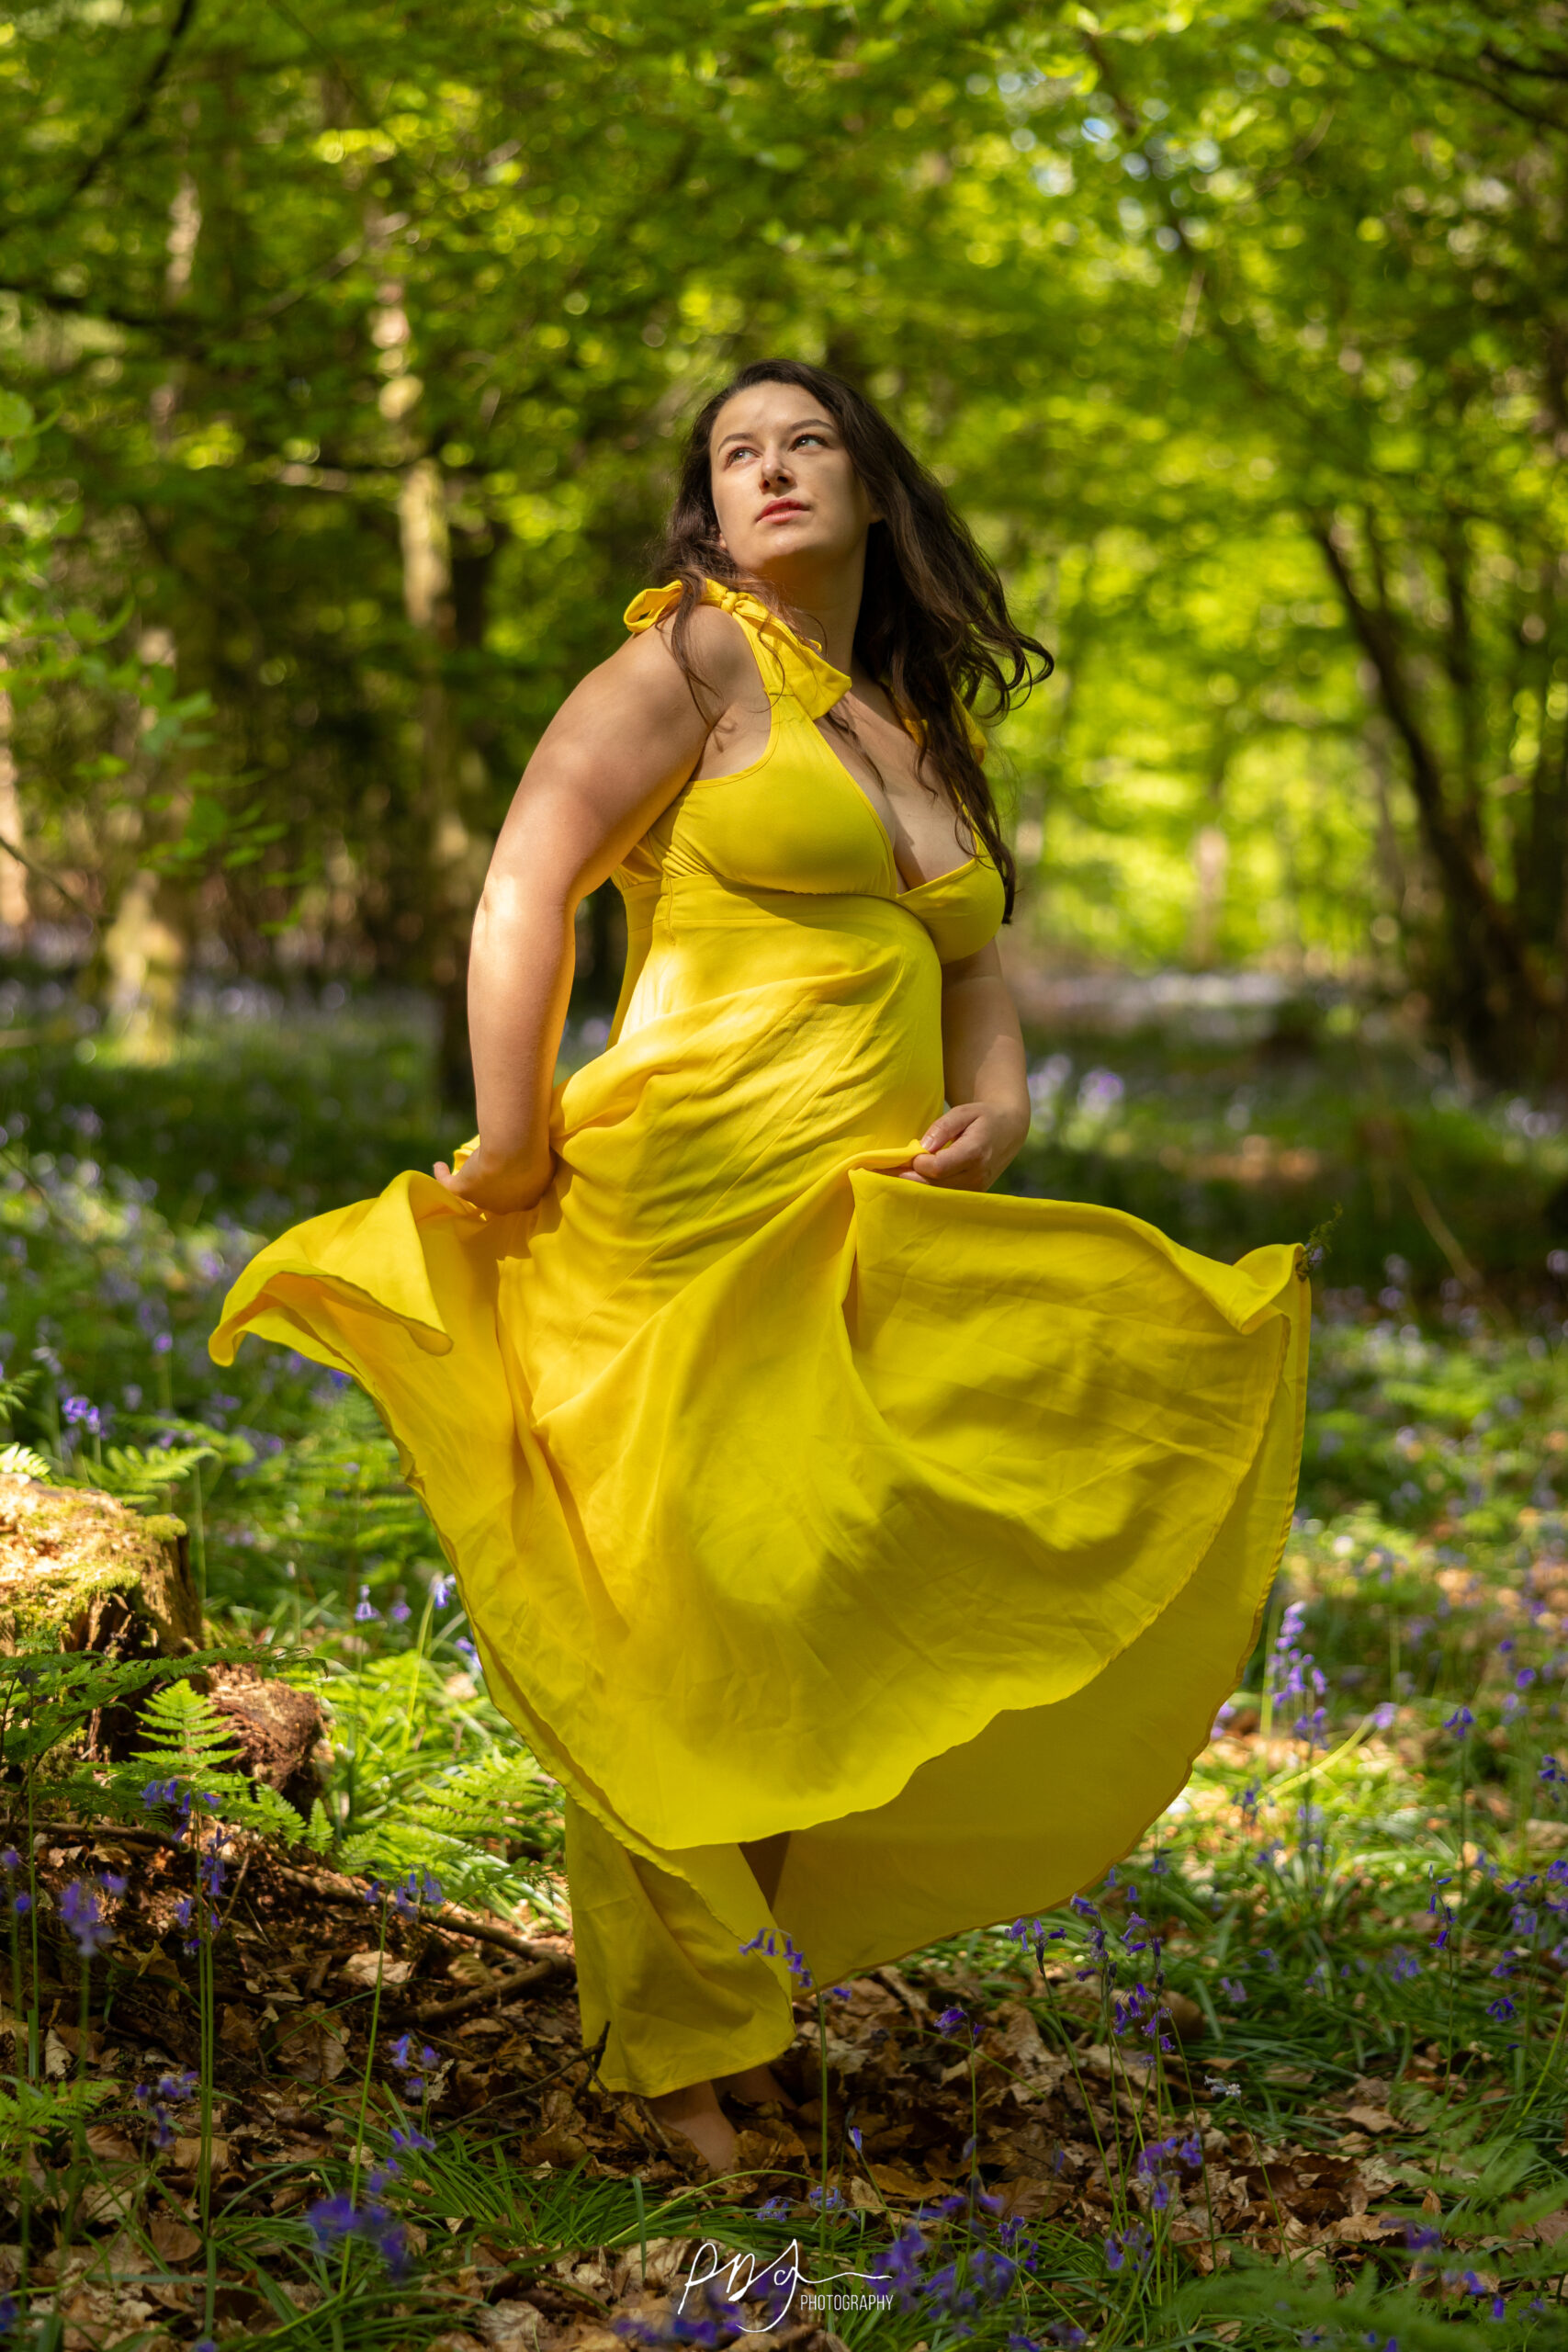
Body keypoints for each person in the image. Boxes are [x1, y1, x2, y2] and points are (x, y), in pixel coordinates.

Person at [211, 359, 1309, 2180]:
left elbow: (966, 958)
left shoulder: (897, 714)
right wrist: (503, 1137)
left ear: (874, 491)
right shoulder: (687, 664)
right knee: (688, 1615)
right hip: (682, 1207)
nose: (774, 467)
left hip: (865, 1226)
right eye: (737, 452)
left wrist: (1006, 1098)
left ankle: (746, 1998)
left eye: (807, 442)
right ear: (706, 510)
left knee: (831, 1598)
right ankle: (674, 2051)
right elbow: (523, 883)